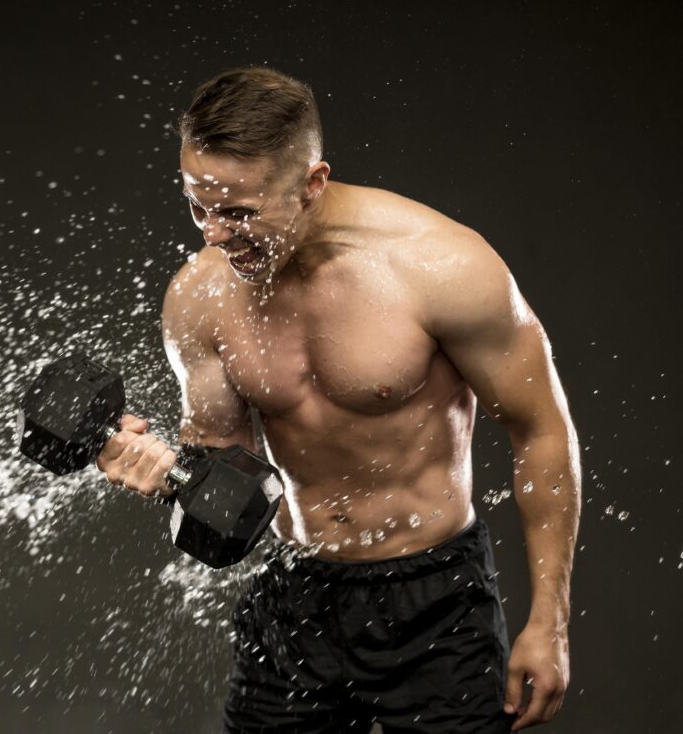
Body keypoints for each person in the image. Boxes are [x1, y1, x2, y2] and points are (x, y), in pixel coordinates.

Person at [95, 66, 582, 734]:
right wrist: (160, 475)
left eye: (237, 211)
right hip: (295, 596)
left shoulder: (442, 266)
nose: (212, 233)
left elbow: (542, 431)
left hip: (437, 601)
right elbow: (226, 499)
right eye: (197, 206)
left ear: (311, 184)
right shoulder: (200, 296)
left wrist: (550, 621)